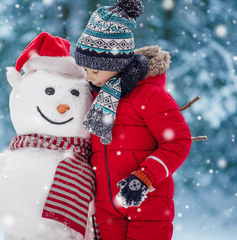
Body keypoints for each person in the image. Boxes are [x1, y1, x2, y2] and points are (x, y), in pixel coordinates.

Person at [74, 0, 192, 239]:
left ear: (116, 63)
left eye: (95, 70)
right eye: (85, 70)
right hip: (107, 207)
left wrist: (145, 177)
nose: (89, 77)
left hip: (147, 202)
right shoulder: (95, 97)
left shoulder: (149, 95)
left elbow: (178, 141)